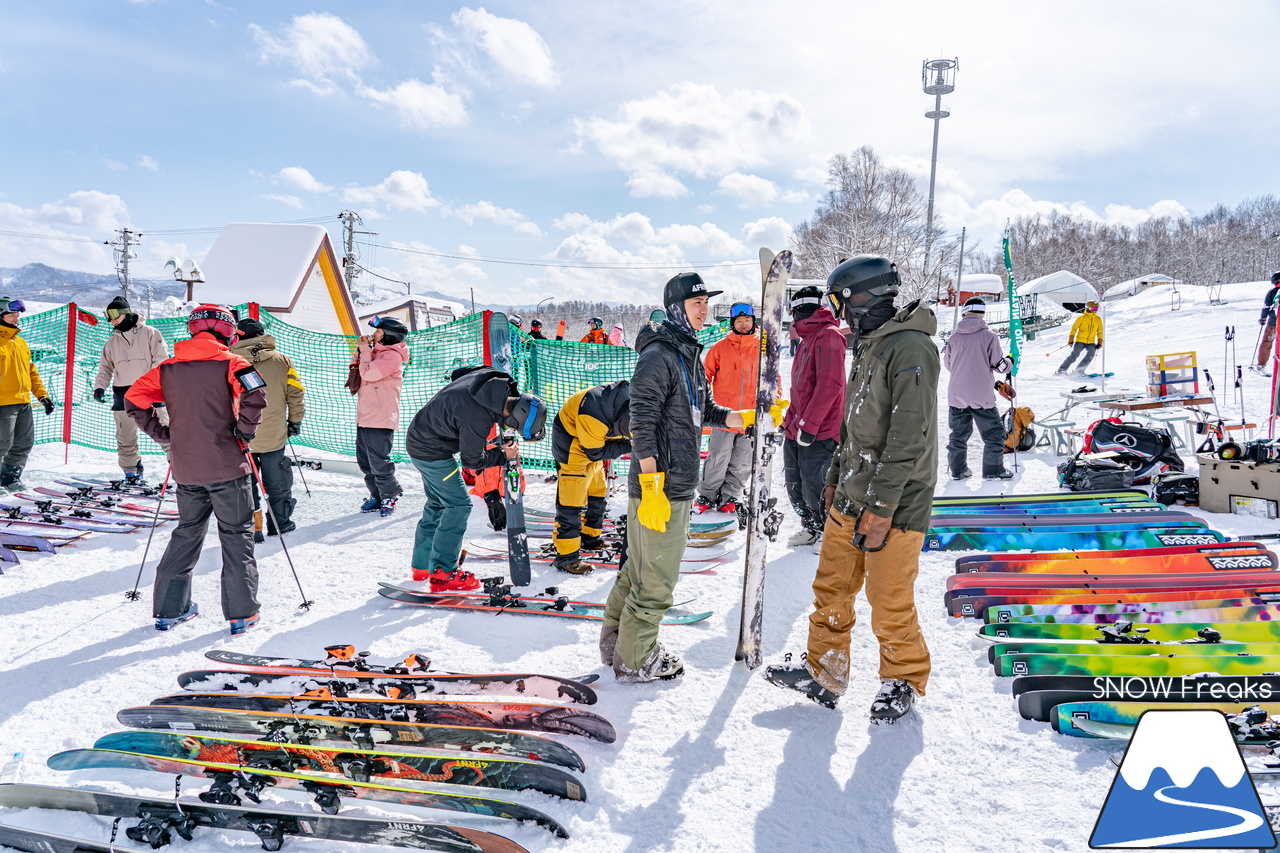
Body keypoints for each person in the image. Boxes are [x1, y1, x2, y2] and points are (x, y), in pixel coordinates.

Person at [765, 255, 939, 723]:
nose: (839, 312)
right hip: (853, 490)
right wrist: (834, 480)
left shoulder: (911, 349)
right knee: (832, 586)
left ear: (863, 298)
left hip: (897, 501)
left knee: (888, 597)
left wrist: (881, 509)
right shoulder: (869, 345)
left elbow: (908, 437)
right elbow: (855, 425)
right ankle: (825, 670)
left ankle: (901, 678)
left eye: (842, 301)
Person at [600, 272, 755, 683]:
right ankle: (636, 660)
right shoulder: (660, 356)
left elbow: (704, 411)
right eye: (696, 303)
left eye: (706, 302)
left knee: (636, 571)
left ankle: (617, 644)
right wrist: (652, 488)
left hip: (670, 483)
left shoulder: (686, 353)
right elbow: (643, 421)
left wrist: (746, 417)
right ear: (675, 309)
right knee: (656, 582)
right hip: (662, 488)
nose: (704, 310)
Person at [125, 304, 268, 635]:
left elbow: (134, 398)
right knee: (236, 537)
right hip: (229, 467)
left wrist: (165, 434)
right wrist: (245, 431)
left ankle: (168, 610)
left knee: (187, 532)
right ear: (225, 331)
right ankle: (241, 614)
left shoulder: (168, 368)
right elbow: (256, 392)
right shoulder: (233, 362)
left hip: (187, 469)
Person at [405, 365, 546, 588]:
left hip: (422, 435)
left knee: (438, 503)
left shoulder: (496, 380)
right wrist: (502, 455)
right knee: (458, 505)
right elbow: (472, 462)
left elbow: (458, 374)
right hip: (431, 451)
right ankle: (444, 572)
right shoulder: (477, 418)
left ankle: (422, 565)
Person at [695, 302, 781, 515]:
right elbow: (704, 376)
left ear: (754, 322)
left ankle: (730, 497)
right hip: (724, 417)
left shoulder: (763, 347)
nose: (743, 325)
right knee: (718, 458)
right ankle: (706, 495)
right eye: (739, 321)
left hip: (751, 417)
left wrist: (776, 401)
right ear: (732, 324)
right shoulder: (720, 347)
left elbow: (773, 378)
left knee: (742, 461)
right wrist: (701, 400)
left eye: (747, 320)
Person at [780, 285, 846, 552]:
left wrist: (809, 425)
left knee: (815, 483)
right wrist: (790, 422)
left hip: (820, 429)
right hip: (798, 426)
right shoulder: (806, 339)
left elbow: (830, 385)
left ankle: (827, 530)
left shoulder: (829, 335)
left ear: (797, 310)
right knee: (794, 481)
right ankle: (810, 525)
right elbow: (800, 389)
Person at [231, 317, 306, 536]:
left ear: (239, 335)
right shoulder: (282, 360)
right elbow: (296, 393)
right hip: (274, 434)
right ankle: (279, 524)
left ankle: (254, 528)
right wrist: (295, 420)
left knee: (246, 482)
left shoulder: (231, 360)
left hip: (241, 435)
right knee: (278, 481)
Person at [551, 381, 631, 574]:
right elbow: (595, 453)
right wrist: (630, 446)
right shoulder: (594, 416)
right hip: (573, 446)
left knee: (598, 492)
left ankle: (590, 537)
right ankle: (567, 557)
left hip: (594, 440)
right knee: (572, 502)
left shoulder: (632, 402)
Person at [92, 296, 169, 483]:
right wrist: (100, 387)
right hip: (123, 393)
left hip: (149, 391)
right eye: (108, 315)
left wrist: (150, 383)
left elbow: (161, 360)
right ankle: (131, 472)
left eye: (114, 314)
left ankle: (181, 467)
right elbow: (105, 368)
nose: (111, 319)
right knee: (125, 437)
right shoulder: (111, 343)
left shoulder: (150, 333)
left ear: (125, 313)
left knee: (164, 432)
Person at [943, 298, 1014, 481]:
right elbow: (999, 366)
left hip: (956, 394)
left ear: (964, 312)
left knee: (958, 435)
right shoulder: (989, 336)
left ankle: (958, 471)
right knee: (994, 433)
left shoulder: (954, 337)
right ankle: (993, 470)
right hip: (980, 396)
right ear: (983, 314)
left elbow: (949, 365)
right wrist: (1010, 363)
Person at [350, 316, 410, 517]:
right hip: (366, 416)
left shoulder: (391, 357)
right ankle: (376, 495)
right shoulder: (376, 353)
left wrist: (365, 351)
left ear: (389, 336)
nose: (373, 335)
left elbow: (368, 374)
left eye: (378, 332)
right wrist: (361, 351)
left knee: (378, 461)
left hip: (381, 417)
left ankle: (390, 494)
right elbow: (358, 368)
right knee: (365, 461)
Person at [0, 297, 54, 491]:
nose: (17, 318)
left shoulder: (20, 342)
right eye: (12, 314)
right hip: (3, 403)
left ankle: (9, 478)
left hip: (23, 402)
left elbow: (31, 372)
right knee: (2, 444)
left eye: (17, 315)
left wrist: (43, 396)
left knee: (23, 442)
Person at [1056, 301, 1103, 375]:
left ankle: (1079, 370)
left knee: (1091, 353)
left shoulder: (1098, 319)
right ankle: (1061, 370)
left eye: (1096, 309)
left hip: (1091, 342)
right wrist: (1071, 339)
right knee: (1074, 355)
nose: (1094, 310)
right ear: (1087, 308)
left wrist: (1100, 341)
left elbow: (1100, 331)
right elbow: (1074, 329)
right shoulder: (1081, 318)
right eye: (1092, 308)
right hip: (1080, 340)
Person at [1253, 272, 1280, 375]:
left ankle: (1261, 365)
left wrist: (1263, 318)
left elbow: (1266, 307)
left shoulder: (1272, 292)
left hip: (1273, 323)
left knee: (1267, 343)